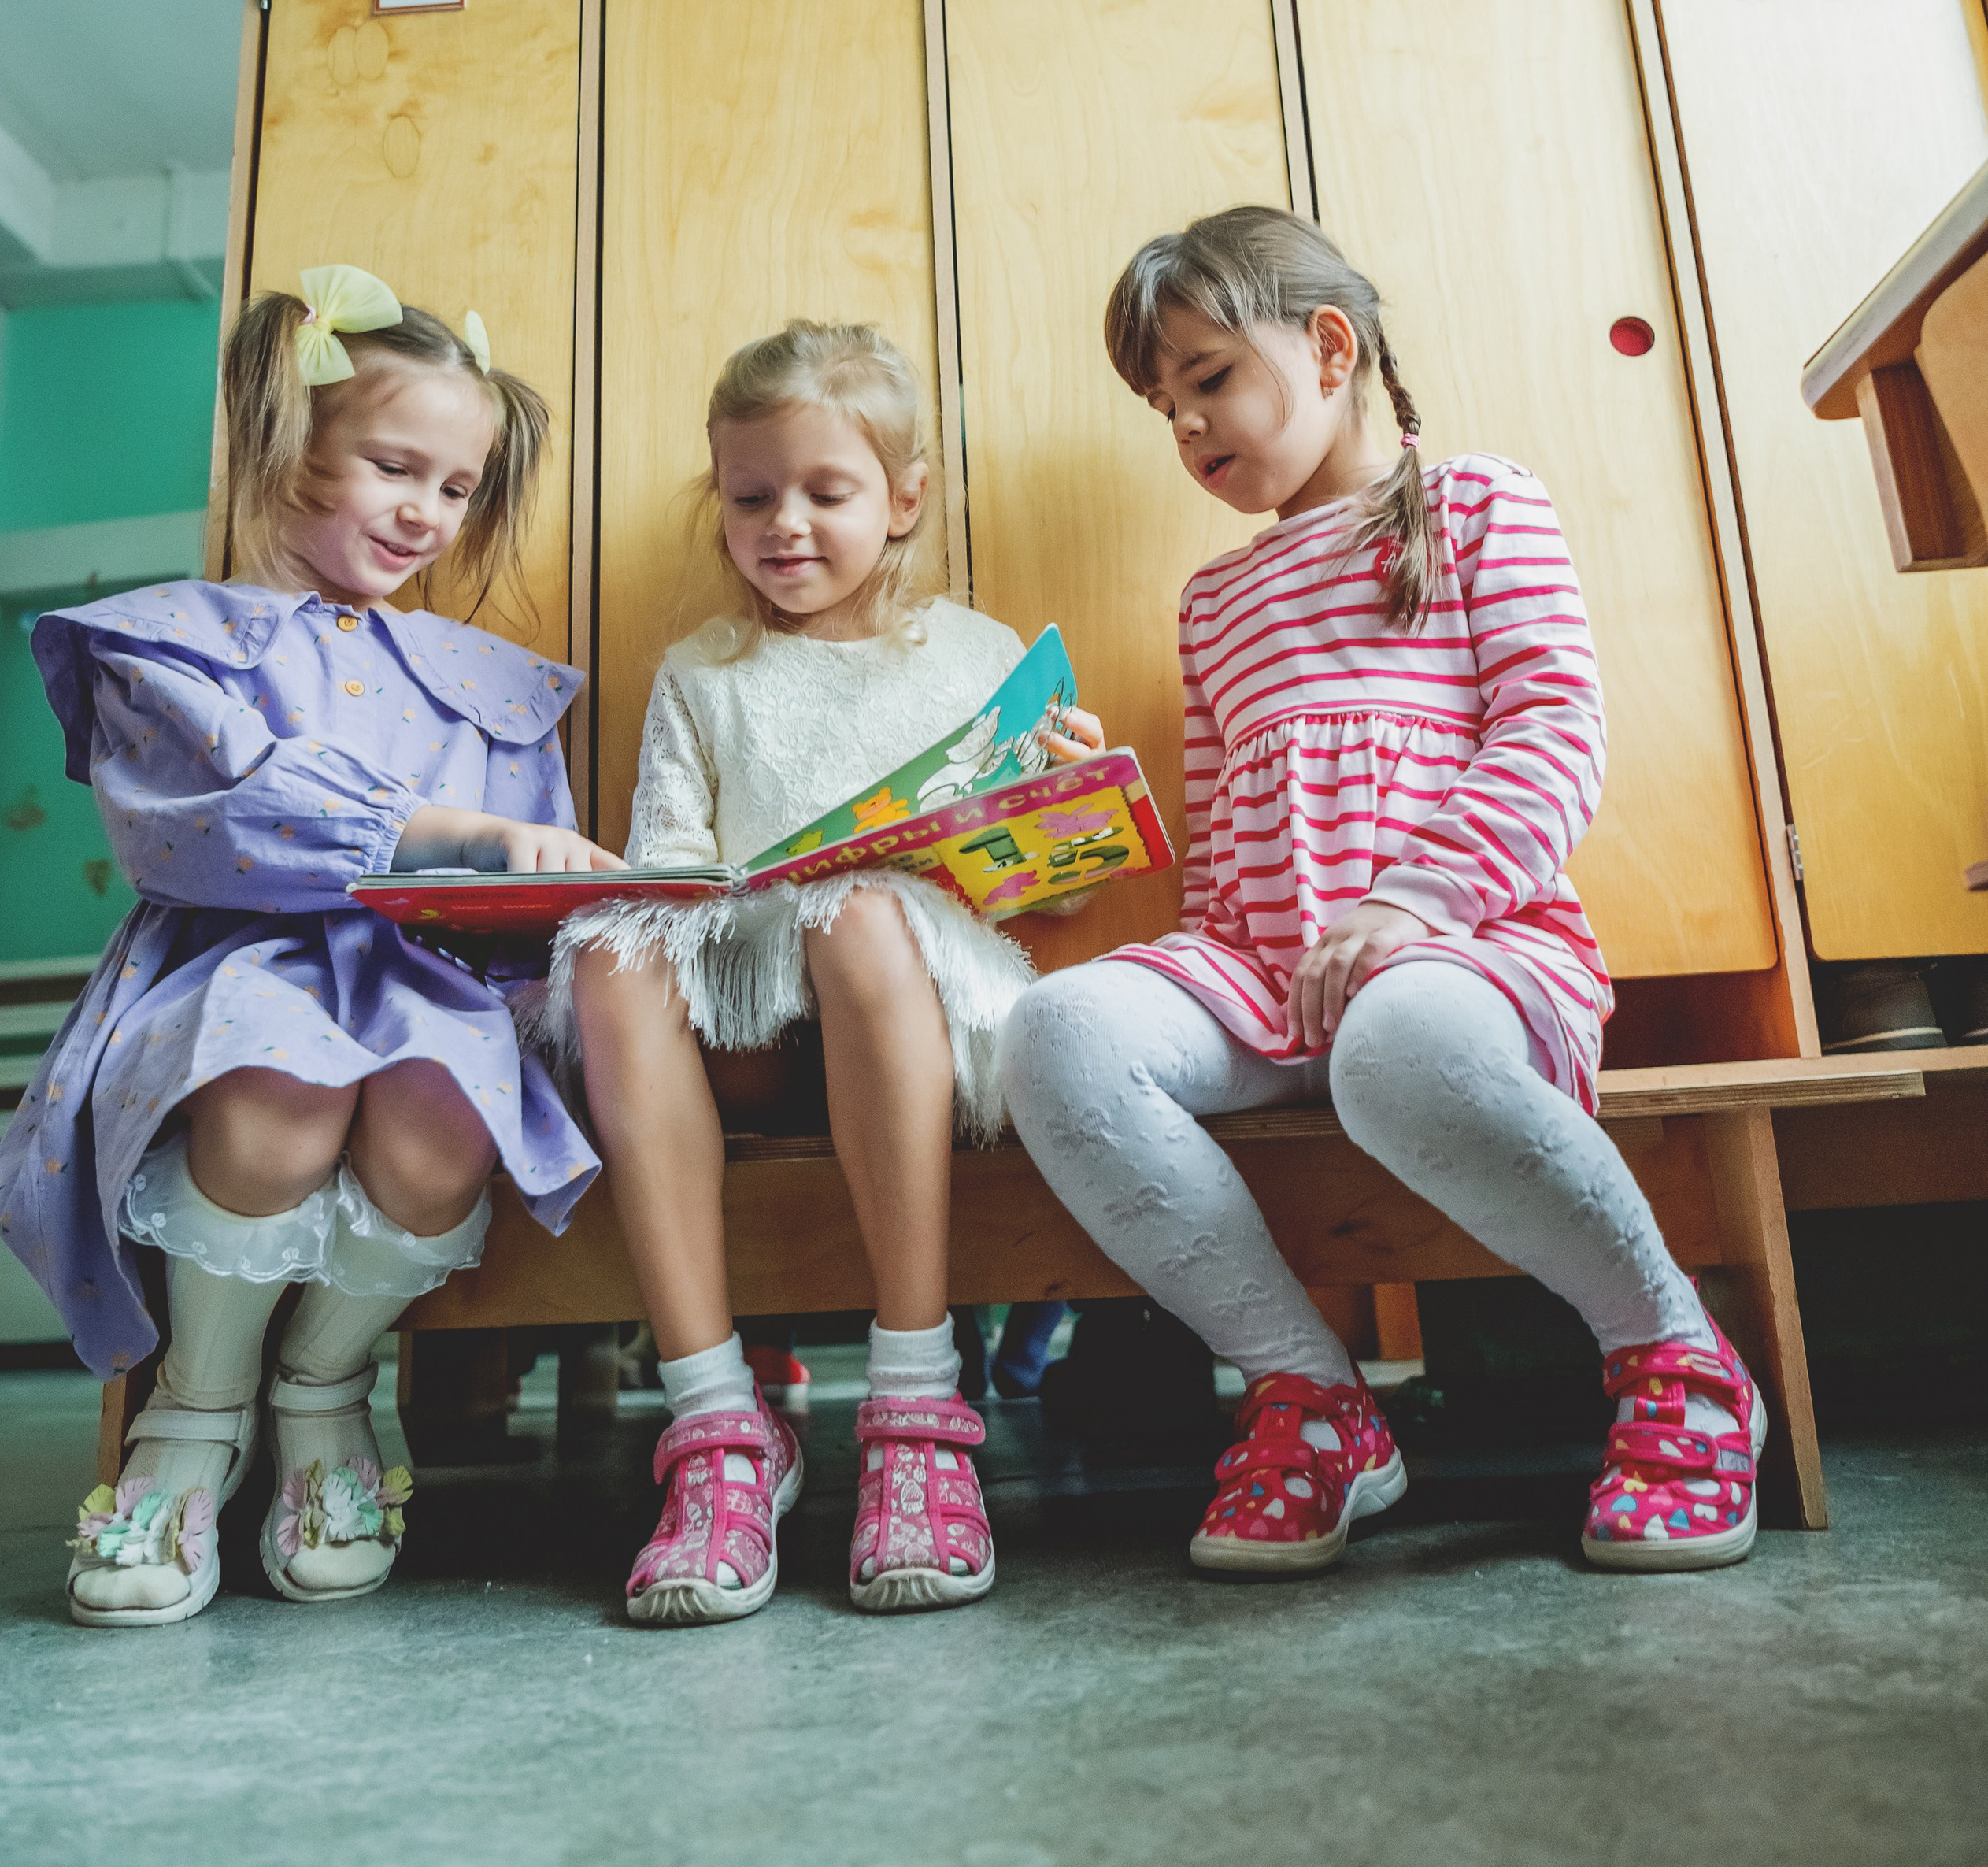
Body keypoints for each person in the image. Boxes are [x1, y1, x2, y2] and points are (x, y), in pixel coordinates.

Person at [998, 207, 1764, 1579]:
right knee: (1053, 1031)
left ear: (1330, 347)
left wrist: (1411, 903)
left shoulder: (1479, 505)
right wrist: (1087, 830)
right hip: (1265, 968)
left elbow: (1555, 733)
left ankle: (1677, 1355)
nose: (1188, 427)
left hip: (1471, 949)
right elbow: (1224, 835)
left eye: (1207, 379)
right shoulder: (1211, 603)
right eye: (1166, 409)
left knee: (1394, 1044)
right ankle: (1312, 1397)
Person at [0, 265, 615, 1628]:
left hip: (430, 982)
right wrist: (457, 832)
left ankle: (326, 1389)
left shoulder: (491, 687)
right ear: (290, 446)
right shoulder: (170, 644)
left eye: (457, 488)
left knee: (445, 1121)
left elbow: (525, 877)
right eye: (395, 467)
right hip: (234, 963)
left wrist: (538, 888)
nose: (427, 511)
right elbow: (208, 815)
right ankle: (195, 1408)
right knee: (278, 1086)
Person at [549, 320, 1102, 1627]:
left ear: (903, 498)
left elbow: (1056, 892)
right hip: (750, 1020)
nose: (783, 524)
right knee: (613, 952)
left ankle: (915, 1412)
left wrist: (1065, 805)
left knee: (855, 915)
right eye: (751, 498)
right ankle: (717, 1430)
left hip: (927, 1014)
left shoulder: (979, 657)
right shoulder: (704, 673)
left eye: (825, 492)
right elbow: (669, 876)